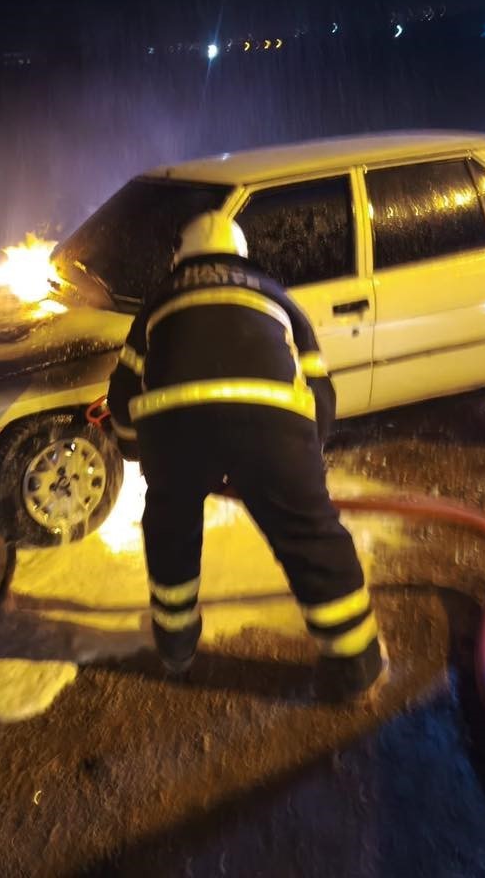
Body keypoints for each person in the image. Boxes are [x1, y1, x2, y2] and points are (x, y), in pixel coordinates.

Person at [106, 210, 385, 701]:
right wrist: (304, 454)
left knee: (171, 532)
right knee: (312, 537)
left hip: (178, 430)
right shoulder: (276, 294)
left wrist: (137, 448)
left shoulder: (161, 299)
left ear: (182, 255)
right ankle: (356, 664)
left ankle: (176, 646)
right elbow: (318, 381)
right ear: (241, 254)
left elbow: (123, 390)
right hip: (273, 427)